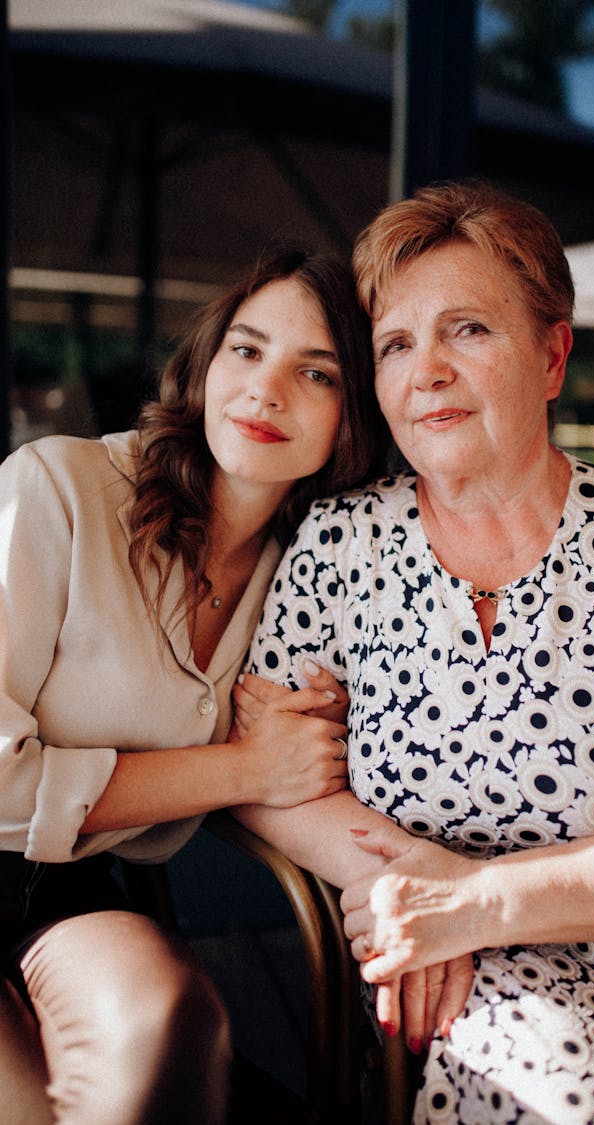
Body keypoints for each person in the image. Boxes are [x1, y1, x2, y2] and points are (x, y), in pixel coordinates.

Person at [233, 181, 594, 1124]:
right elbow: (270, 778)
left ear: (553, 356)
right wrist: (406, 885)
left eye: (466, 329)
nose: (424, 370)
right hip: (449, 969)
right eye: (395, 344)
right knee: (548, 1095)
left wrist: (475, 901)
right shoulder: (340, 544)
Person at [0, 245, 381, 1124]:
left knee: (164, 1023)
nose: (266, 388)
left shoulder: (305, 580)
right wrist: (247, 767)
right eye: (246, 350)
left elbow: (311, 757)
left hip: (60, 897)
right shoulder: (59, 487)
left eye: (315, 372)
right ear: (207, 364)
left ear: (355, 414)